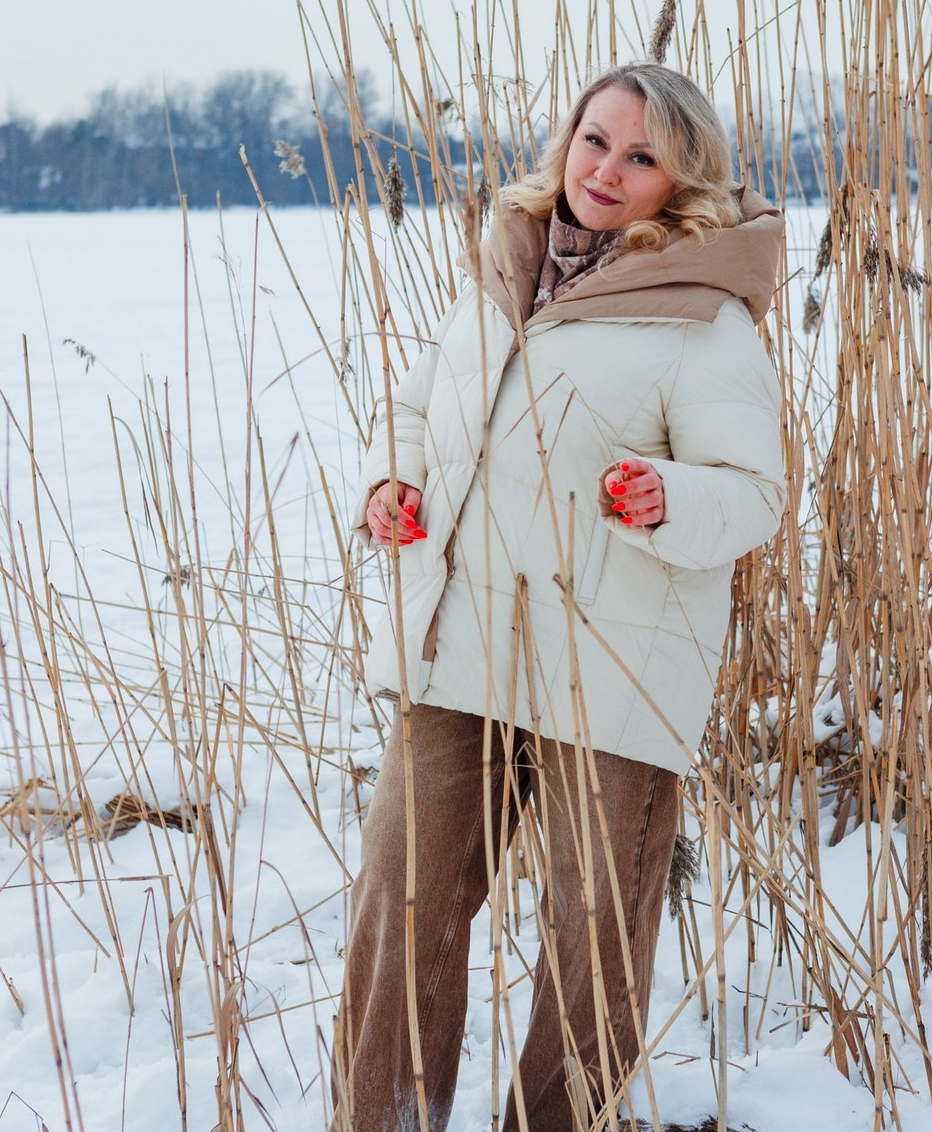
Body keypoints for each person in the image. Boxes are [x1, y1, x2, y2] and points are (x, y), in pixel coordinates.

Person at [332, 62, 787, 1132]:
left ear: (680, 182)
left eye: (639, 156)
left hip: (610, 672)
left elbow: (753, 492)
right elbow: (415, 405)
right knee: (402, 918)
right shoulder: (503, 272)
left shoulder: (701, 318)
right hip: (462, 651)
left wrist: (666, 494)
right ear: (566, 139)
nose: (605, 169)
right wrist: (392, 482)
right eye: (595, 139)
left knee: (593, 949)